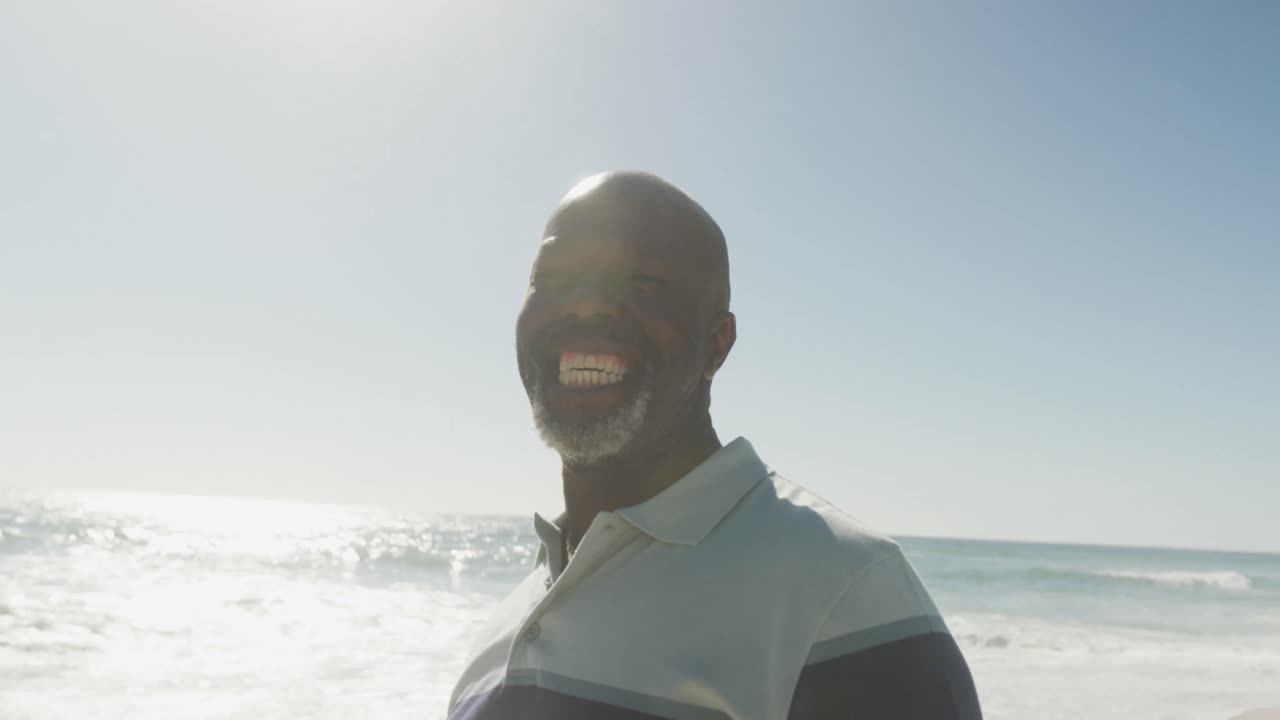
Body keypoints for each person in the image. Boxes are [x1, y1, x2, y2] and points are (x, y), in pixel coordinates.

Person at [447, 171, 982, 719]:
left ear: (717, 345)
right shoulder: (513, 618)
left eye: (641, 283)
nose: (585, 306)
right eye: (556, 277)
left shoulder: (842, 596)